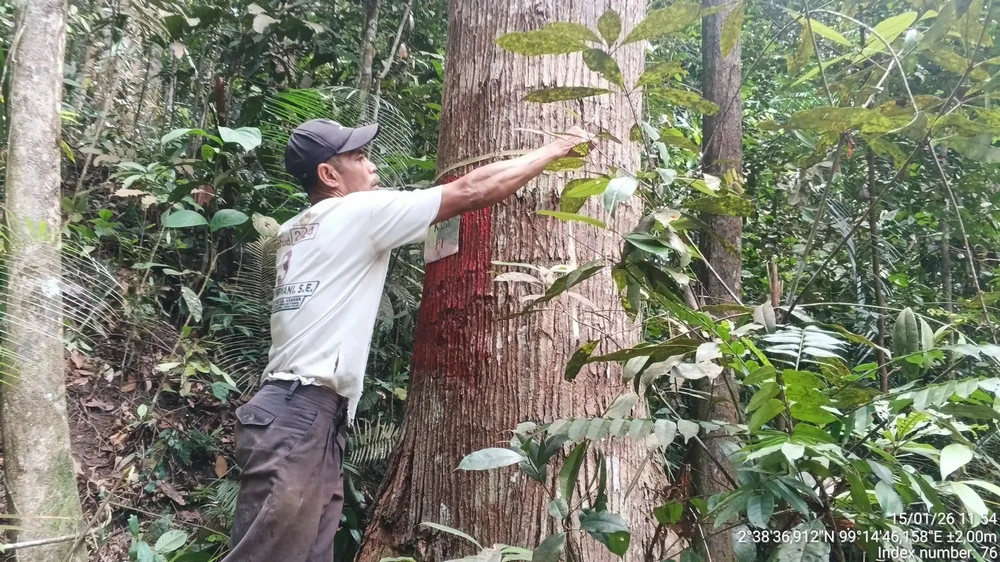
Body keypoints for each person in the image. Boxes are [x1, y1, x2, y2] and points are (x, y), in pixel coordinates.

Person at [224, 118, 593, 562]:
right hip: (300, 413)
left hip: (301, 414)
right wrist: (554, 149)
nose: (372, 167)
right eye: (360, 158)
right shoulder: (355, 213)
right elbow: (473, 190)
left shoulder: (295, 229)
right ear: (329, 175)